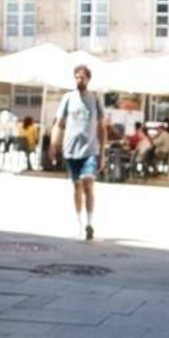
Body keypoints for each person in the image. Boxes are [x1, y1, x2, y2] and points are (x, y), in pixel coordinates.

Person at [50, 64, 109, 239]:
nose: (79, 80)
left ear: (88, 79)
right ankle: (79, 224)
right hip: (70, 149)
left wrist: (102, 153)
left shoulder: (95, 99)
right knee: (76, 186)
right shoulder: (68, 98)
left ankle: (90, 224)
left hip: (90, 149)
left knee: (87, 183)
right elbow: (58, 123)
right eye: (76, 76)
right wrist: (53, 145)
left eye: (82, 77)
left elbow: (102, 127)